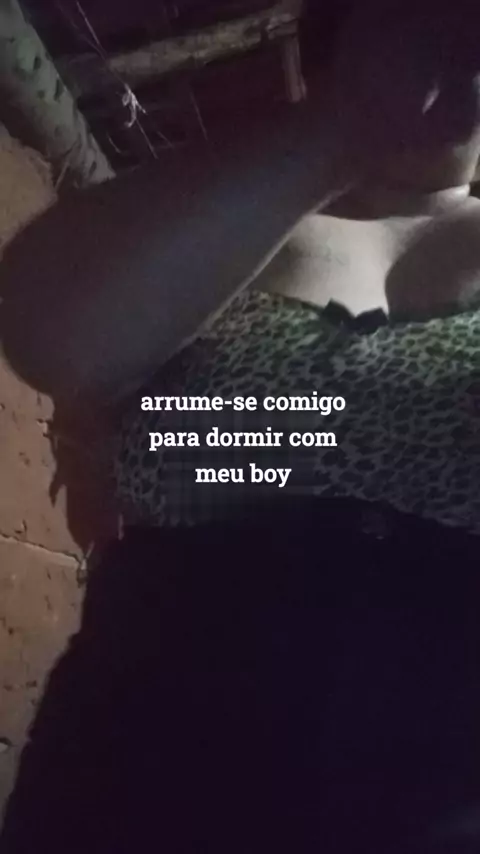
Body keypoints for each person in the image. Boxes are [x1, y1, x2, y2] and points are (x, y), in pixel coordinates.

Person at [1, 2, 480, 851]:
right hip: (139, 780)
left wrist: (229, 432)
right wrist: (341, 128)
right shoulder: (212, 225)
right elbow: (50, 336)